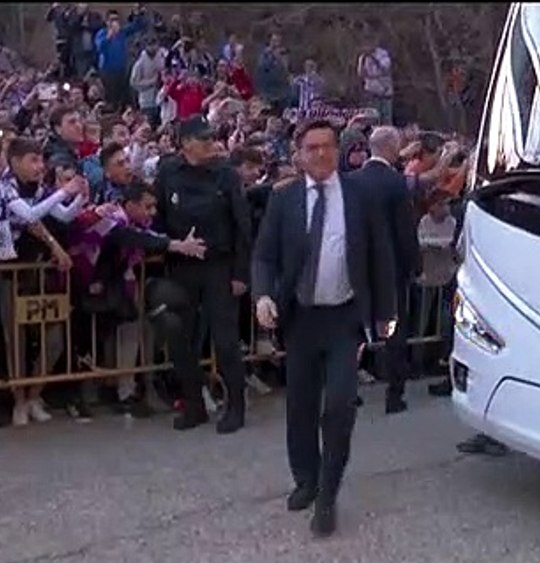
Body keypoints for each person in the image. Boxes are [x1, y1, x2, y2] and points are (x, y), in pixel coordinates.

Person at [252, 119, 397, 538]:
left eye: (327, 146)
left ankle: (328, 495)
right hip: (300, 319)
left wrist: (385, 312)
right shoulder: (286, 201)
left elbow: (380, 254)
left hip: (344, 319)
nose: (320, 154)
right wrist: (263, 295)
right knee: (300, 407)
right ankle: (306, 479)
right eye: (311, 147)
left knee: (338, 406)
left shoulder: (360, 196)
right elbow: (264, 256)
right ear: (298, 154)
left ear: (337, 150)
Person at [153, 115, 251, 433]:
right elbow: (160, 218)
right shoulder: (168, 173)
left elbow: (242, 225)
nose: (211, 144)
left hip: (218, 264)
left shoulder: (226, 175)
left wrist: (240, 273)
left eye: (212, 139)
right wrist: (170, 246)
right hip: (183, 265)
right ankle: (193, 404)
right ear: (186, 144)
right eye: (203, 139)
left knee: (225, 340)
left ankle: (236, 405)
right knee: (181, 338)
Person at [351, 126, 418, 415]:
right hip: (389, 268)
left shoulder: (350, 181)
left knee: (352, 329)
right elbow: (405, 229)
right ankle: (395, 394)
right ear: (391, 147)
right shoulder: (396, 183)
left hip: (355, 265)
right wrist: (413, 264)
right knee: (394, 329)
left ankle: (347, 390)